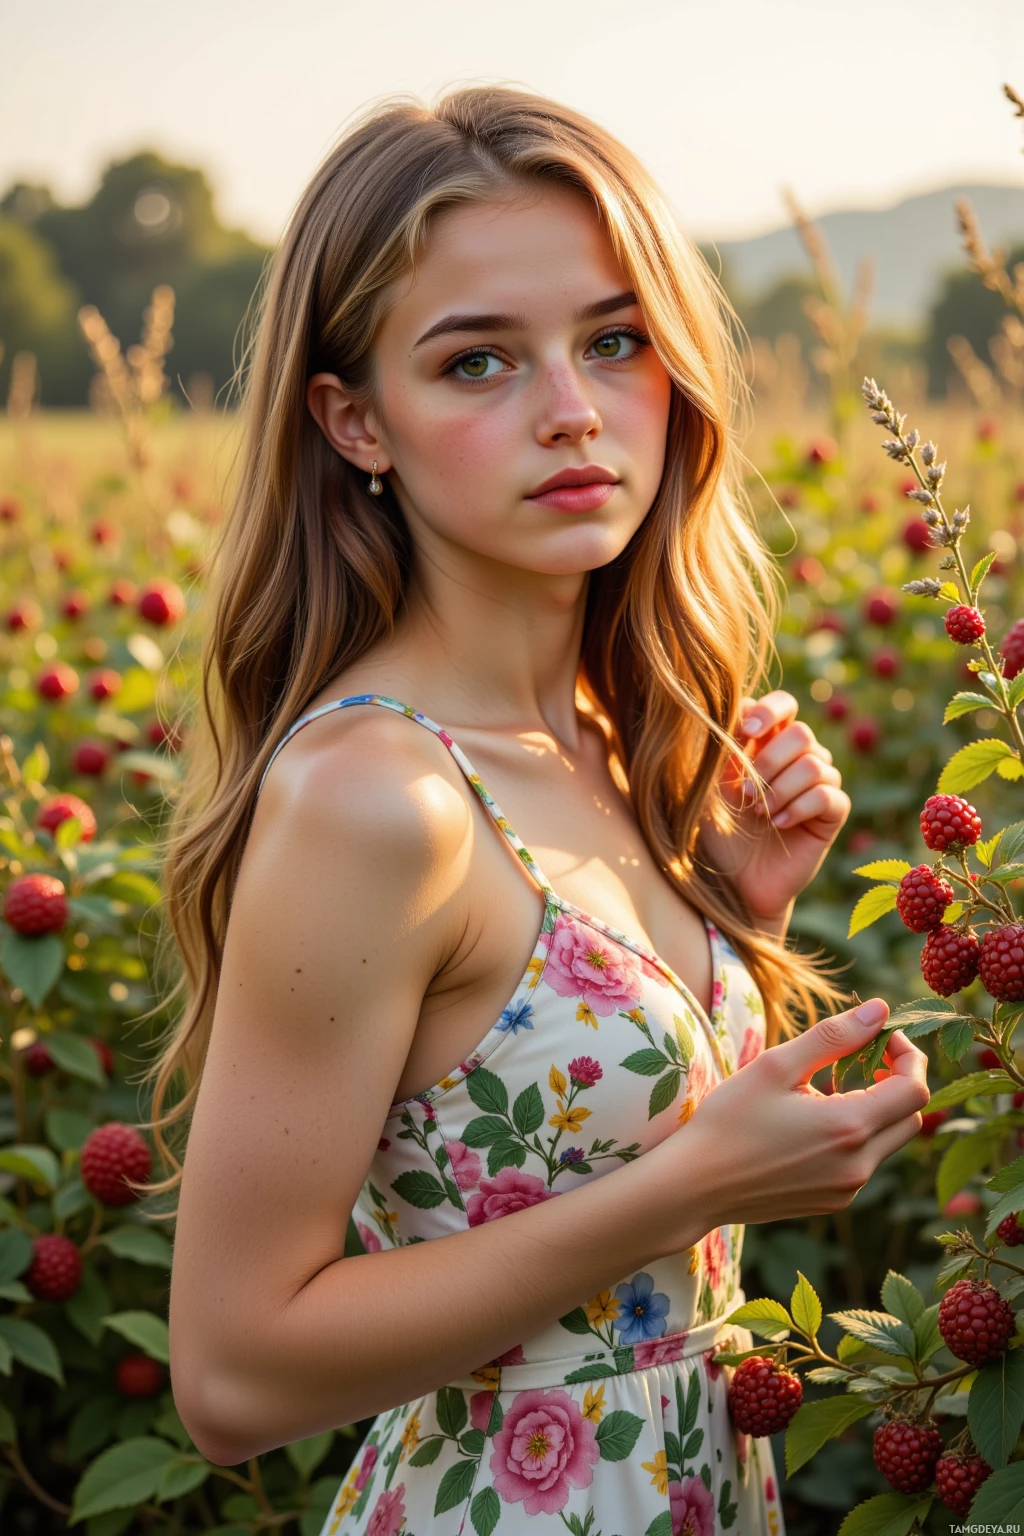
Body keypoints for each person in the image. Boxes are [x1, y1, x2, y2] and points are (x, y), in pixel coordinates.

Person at [154, 85, 930, 1536]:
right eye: (478, 363)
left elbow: (532, 1113)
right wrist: (689, 1187)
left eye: (613, 340)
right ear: (355, 420)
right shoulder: (374, 798)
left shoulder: (605, 740)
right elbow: (233, 1373)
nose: (572, 410)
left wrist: (730, 919)